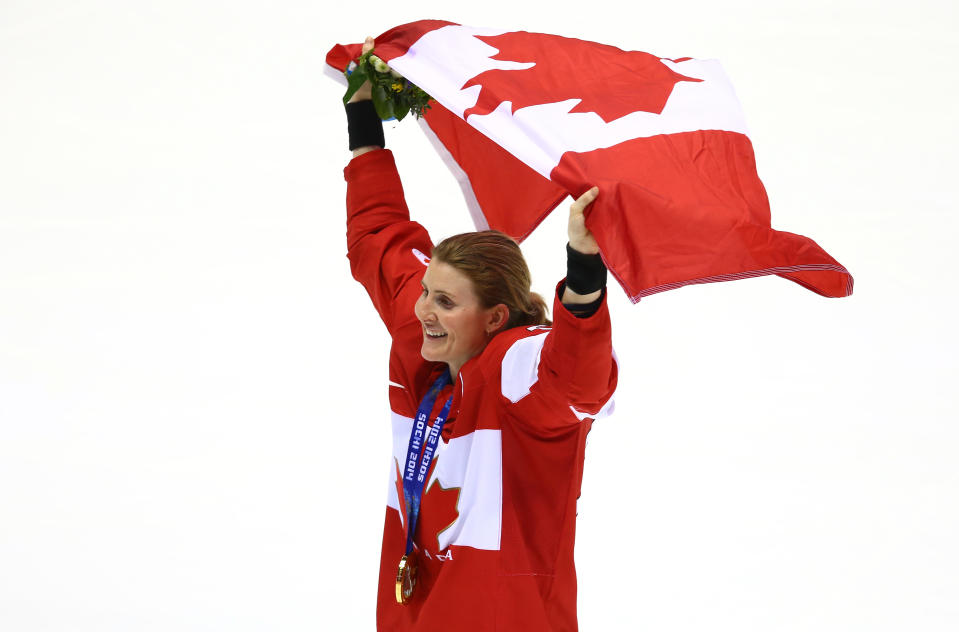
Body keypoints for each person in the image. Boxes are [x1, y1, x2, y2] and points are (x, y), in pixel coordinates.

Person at [342, 36, 618, 632]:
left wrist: (585, 269)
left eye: (444, 301)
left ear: (494, 318)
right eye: (425, 293)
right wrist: (363, 114)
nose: (422, 311)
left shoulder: (518, 370)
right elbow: (379, 240)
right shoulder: (426, 337)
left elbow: (577, 376)